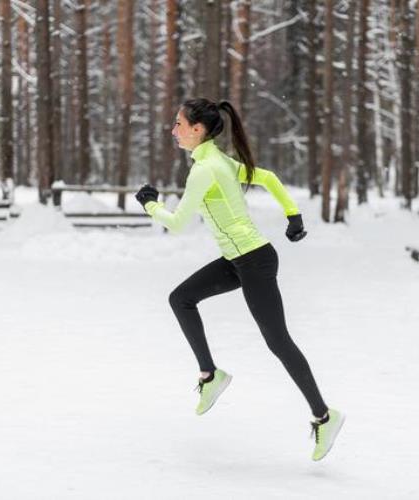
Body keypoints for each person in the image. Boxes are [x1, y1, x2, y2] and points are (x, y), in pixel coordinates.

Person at [135, 98, 343, 461]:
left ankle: (324, 416)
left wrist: (150, 204)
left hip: (255, 262)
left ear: (198, 130)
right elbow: (267, 177)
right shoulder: (217, 161)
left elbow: (179, 223)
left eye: (179, 123)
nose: (174, 129)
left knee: (279, 342)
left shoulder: (206, 169)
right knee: (180, 298)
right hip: (237, 260)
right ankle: (209, 374)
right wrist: (292, 216)